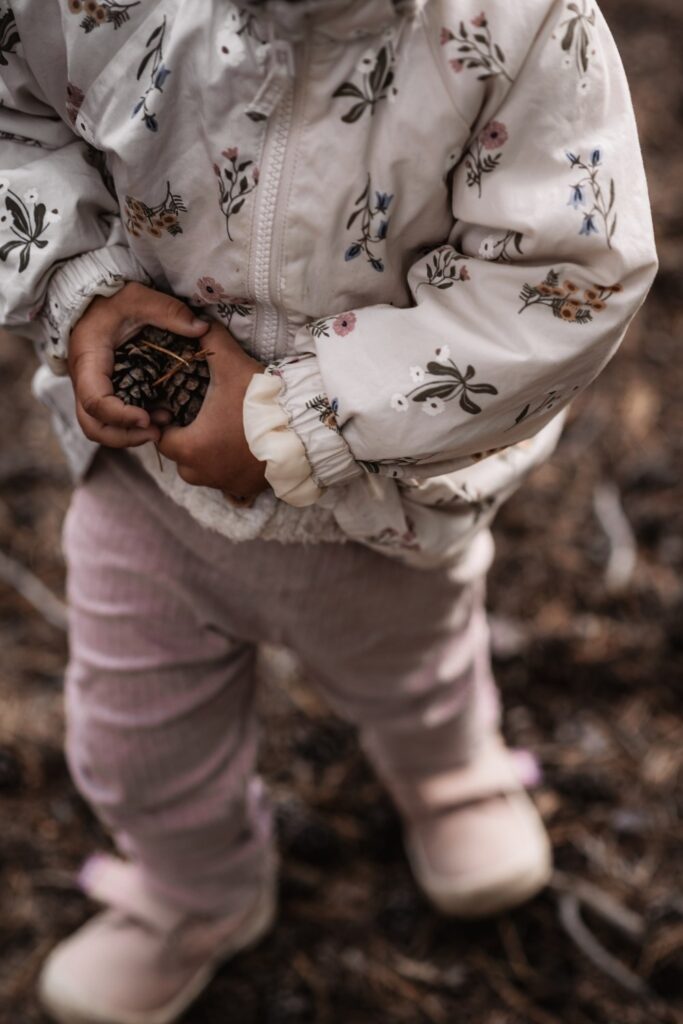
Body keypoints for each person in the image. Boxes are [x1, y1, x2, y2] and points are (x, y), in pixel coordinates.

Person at [0, 0, 656, 1020]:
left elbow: (565, 270)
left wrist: (304, 414)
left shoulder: (521, 29)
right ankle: (196, 890)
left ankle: (450, 778)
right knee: (134, 742)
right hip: (148, 490)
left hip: (382, 499)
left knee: (412, 672)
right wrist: (83, 288)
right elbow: (15, 107)